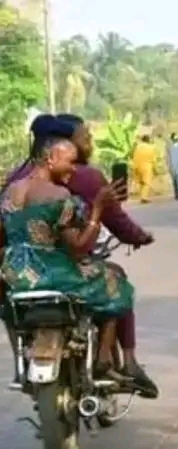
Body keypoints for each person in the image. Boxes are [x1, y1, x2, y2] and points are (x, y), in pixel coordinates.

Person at [1, 137, 132, 382]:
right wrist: (97, 210)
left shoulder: (11, 191)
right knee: (114, 278)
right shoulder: (59, 195)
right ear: (51, 159)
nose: (74, 169)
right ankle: (104, 358)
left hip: (16, 273)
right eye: (70, 162)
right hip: (51, 273)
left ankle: (23, 362)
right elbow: (79, 249)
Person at [53, 113, 159, 397]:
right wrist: (138, 236)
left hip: (26, 271)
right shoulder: (83, 177)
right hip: (68, 263)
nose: (89, 142)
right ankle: (125, 361)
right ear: (63, 147)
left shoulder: (18, 180)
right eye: (84, 137)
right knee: (116, 281)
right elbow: (113, 222)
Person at [131, 134, 156, 204]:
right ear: (148, 140)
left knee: (141, 182)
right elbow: (153, 160)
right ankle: (144, 197)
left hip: (137, 166)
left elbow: (133, 157)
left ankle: (142, 196)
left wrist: (134, 167)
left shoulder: (137, 147)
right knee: (147, 183)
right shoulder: (151, 148)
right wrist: (155, 168)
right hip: (147, 167)